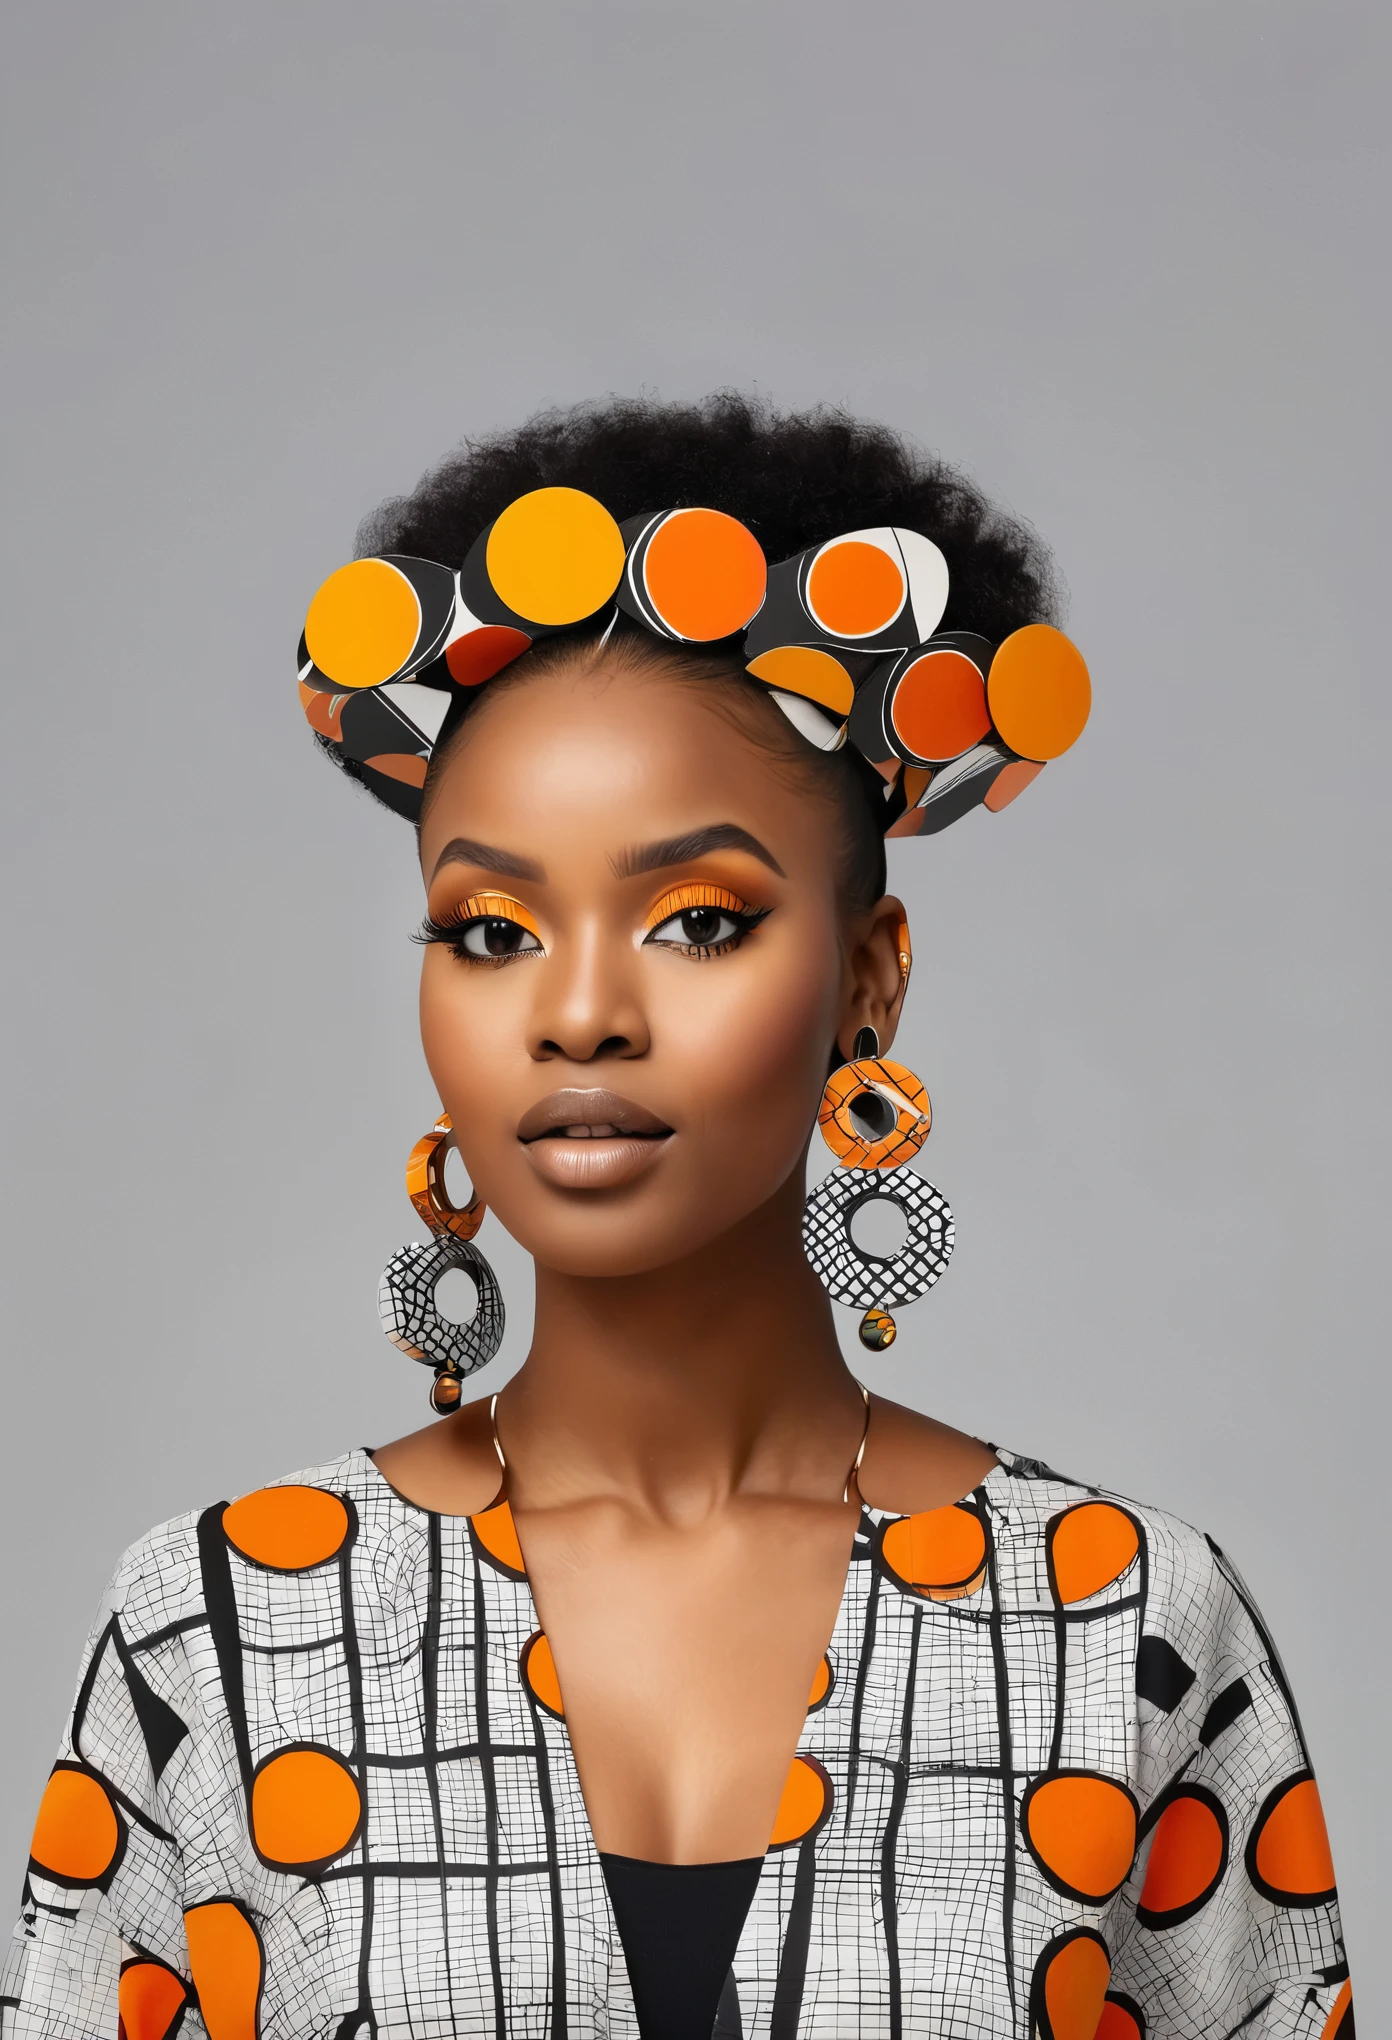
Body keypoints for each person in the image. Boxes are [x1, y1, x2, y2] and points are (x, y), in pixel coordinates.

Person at [4, 397, 1350, 2040]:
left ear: (868, 982)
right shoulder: (213, 1626)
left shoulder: (1129, 1622)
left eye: (698, 920)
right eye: (490, 931)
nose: (578, 1013)